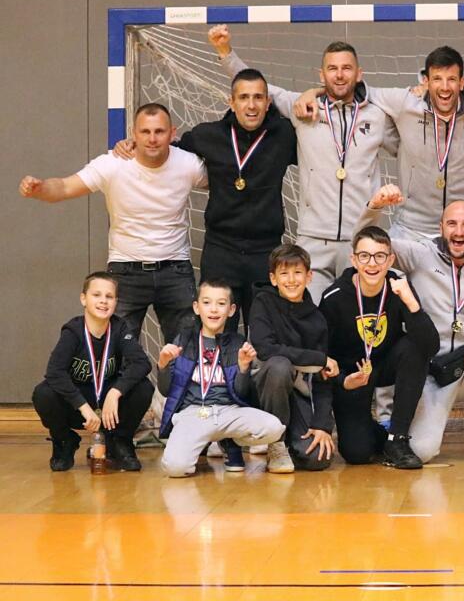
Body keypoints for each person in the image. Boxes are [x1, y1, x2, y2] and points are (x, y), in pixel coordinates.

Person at [210, 26, 394, 302]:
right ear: (321, 75)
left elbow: (410, 142)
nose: (339, 74)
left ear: (359, 74)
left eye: (346, 68)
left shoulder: (377, 116)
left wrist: (421, 92)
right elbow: (258, 88)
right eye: (332, 68)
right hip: (313, 240)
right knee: (309, 316)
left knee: (358, 319)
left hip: (360, 241)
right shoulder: (302, 108)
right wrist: (225, 52)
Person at [292, 45, 464, 248]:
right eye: (437, 79)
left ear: (462, 82)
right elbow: (348, 89)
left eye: (452, 79)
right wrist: (314, 92)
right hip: (412, 229)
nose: (444, 87)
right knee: (389, 279)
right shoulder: (404, 102)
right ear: (426, 81)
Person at [114, 69, 297, 329]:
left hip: (265, 253)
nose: (251, 105)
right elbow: (163, 151)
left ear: (268, 103)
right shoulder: (207, 135)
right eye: (243, 97)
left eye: (258, 97)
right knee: (216, 335)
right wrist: (133, 144)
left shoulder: (285, 135)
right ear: (231, 102)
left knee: (266, 335)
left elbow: (318, 153)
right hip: (221, 253)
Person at [360, 186, 464, 464]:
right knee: (421, 451)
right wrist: (374, 208)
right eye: (452, 224)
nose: (459, 232)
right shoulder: (420, 254)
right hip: (430, 374)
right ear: (441, 228)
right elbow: (367, 244)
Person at [20, 104, 206, 345]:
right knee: (114, 353)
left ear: (172, 133)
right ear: (133, 133)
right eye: (145, 131)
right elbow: (65, 187)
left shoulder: (189, 164)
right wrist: (40, 188)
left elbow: (226, 181)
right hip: (125, 271)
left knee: (187, 353)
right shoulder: (113, 164)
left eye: (159, 131)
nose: (152, 139)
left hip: (175, 270)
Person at [318, 226, 439, 469]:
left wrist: (411, 303)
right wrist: (343, 381)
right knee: (357, 453)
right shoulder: (334, 298)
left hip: (386, 365)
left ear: (390, 260)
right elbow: (322, 357)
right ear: (354, 259)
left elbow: (431, 346)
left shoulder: (399, 288)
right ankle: (378, 432)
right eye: (364, 256)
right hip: (352, 376)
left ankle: (397, 438)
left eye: (380, 256)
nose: (372, 264)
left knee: (414, 345)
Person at [157, 279, 284, 477]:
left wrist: (243, 368)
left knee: (274, 428)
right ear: (196, 307)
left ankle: (231, 441)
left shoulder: (237, 343)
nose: (214, 309)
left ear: (231, 310)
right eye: (207, 302)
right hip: (194, 413)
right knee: (175, 468)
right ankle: (204, 441)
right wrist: (163, 365)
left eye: (221, 303)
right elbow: (166, 390)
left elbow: (241, 393)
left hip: (229, 412)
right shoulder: (184, 341)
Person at [32, 272, 154, 472]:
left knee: (143, 388)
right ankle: (64, 441)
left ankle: (120, 441)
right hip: (78, 405)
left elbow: (142, 363)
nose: (103, 301)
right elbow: (54, 372)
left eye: (109, 296)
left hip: (109, 406)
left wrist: (115, 392)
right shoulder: (73, 331)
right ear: (83, 299)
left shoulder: (120, 328)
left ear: (116, 302)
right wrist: (83, 406)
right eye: (96, 295)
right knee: (43, 393)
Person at [247, 243, 337, 472]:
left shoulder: (317, 319)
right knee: (279, 365)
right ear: (273, 278)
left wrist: (322, 425)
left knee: (318, 458)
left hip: (295, 394)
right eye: (284, 273)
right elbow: (266, 349)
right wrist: (318, 358)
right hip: (258, 392)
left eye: (297, 272)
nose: (291, 280)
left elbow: (324, 378)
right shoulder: (262, 303)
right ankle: (275, 442)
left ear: (309, 276)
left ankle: (290, 441)